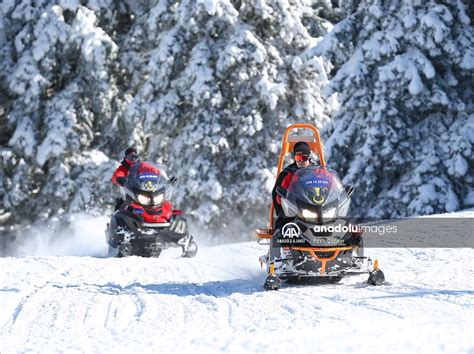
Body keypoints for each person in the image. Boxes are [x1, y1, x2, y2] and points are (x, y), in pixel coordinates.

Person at [272, 141, 315, 228]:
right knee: (282, 226)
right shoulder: (289, 175)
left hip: (317, 208)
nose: (301, 161)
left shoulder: (319, 172)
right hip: (295, 210)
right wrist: (285, 197)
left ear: (309, 157)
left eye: (304, 157)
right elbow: (279, 197)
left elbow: (332, 187)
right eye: (298, 158)